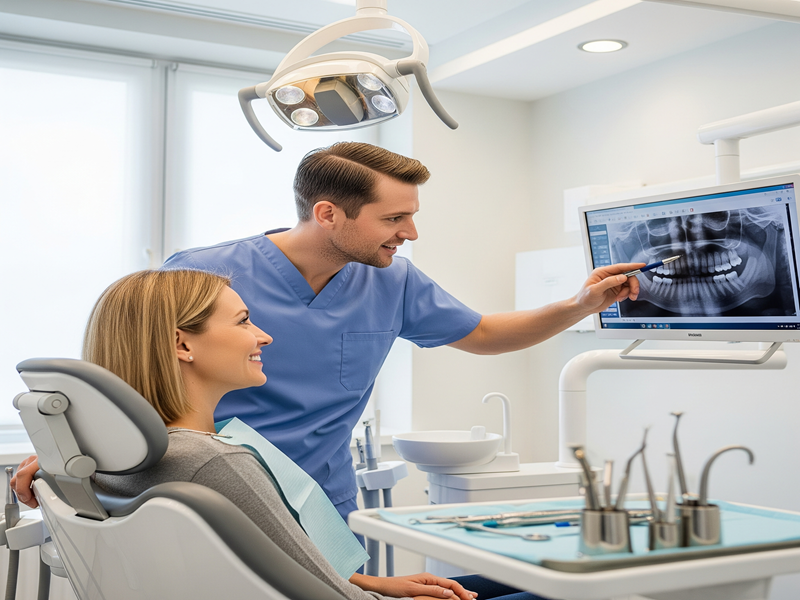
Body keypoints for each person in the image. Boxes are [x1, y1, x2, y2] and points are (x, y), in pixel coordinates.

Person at [13, 142, 643, 525]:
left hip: (320, 500)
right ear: (328, 213)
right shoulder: (204, 274)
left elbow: (481, 334)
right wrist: (70, 444)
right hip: (207, 490)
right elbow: (128, 368)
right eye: (393, 218)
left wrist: (580, 304)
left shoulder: (393, 281)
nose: (409, 233)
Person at [16, 268, 551, 600]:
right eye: (245, 321)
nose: (264, 335)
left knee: (529, 579)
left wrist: (372, 583)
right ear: (184, 345)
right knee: (567, 587)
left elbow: (272, 572)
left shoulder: (118, 462)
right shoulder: (212, 463)